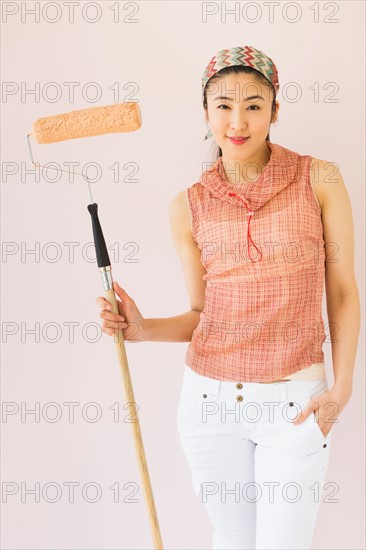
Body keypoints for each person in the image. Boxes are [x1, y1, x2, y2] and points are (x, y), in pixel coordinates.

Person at [96, 46, 360, 550]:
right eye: (223, 105)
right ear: (205, 110)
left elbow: (343, 290)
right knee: (232, 542)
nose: (237, 121)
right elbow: (201, 315)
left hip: (294, 406)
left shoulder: (318, 179)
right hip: (210, 405)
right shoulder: (187, 206)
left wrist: (341, 389)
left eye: (254, 105)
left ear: (275, 110)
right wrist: (141, 328)